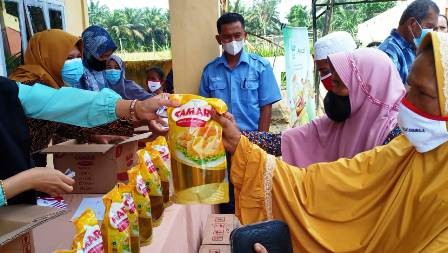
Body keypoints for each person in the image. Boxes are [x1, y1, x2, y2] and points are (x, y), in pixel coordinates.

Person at [213, 32, 448, 252]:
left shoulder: (395, 136)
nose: (407, 101)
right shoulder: (406, 147)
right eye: (410, 86)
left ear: (366, 88)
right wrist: (240, 141)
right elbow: (324, 184)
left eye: (424, 93)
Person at [0, 75, 176, 206]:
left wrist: (137, 108)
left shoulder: (5, 89)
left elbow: (60, 101)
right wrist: (28, 180)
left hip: (16, 218)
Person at [243, 48, 405, 168]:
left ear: (366, 89)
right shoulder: (335, 123)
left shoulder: (396, 136)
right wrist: (238, 136)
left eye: (338, 84)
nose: (332, 90)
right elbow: (281, 141)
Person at [9, 29, 134, 167]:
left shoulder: (52, 84)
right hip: (11, 167)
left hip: (31, 164)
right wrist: (133, 110)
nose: (75, 63)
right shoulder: (28, 85)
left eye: (77, 57)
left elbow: (59, 122)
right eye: (68, 58)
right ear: (47, 57)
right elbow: (76, 109)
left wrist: (93, 135)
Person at [199, 12, 282, 132]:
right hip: (220, 140)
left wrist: (260, 142)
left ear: (245, 35)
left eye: (237, 35)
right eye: (227, 37)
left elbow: (266, 108)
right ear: (219, 39)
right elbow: (204, 107)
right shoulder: (209, 71)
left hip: (252, 138)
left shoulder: (261, 67)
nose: (233, 41)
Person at [379, 0, 439, 84]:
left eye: (434, 29)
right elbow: (390, 92)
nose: (432, 32)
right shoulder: (389, 52)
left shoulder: (414, 46)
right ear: (412, 24)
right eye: (429, 27)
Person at [78, 25, 117, 91]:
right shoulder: (76, 74)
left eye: (109, 55)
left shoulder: (105, 72)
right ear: (89, 53)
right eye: (103, 56)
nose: (107, 60)